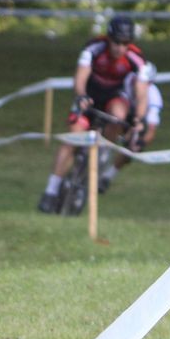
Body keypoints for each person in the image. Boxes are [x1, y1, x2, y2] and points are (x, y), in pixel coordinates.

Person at [38, 14, 150, 213]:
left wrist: (139, 120)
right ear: (108, 38)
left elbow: (142, 94)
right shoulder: (93, 48)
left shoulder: (137, 59)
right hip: (88, 97)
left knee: (119, 115)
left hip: (113, 98)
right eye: (116, 42)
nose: (120, 48)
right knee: (71, 139)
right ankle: (51, 190)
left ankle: (104, 149)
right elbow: (80, 78)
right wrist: (81, 96)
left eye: (126, 43)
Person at [98, 81, 163, 193]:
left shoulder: (154, 97)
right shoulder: (126, 81)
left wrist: (141, 143)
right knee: (112, 121)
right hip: (121, 110)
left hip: (138, 121)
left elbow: (151, 130)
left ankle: (108, 176)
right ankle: (103, 150)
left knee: (133, 147)